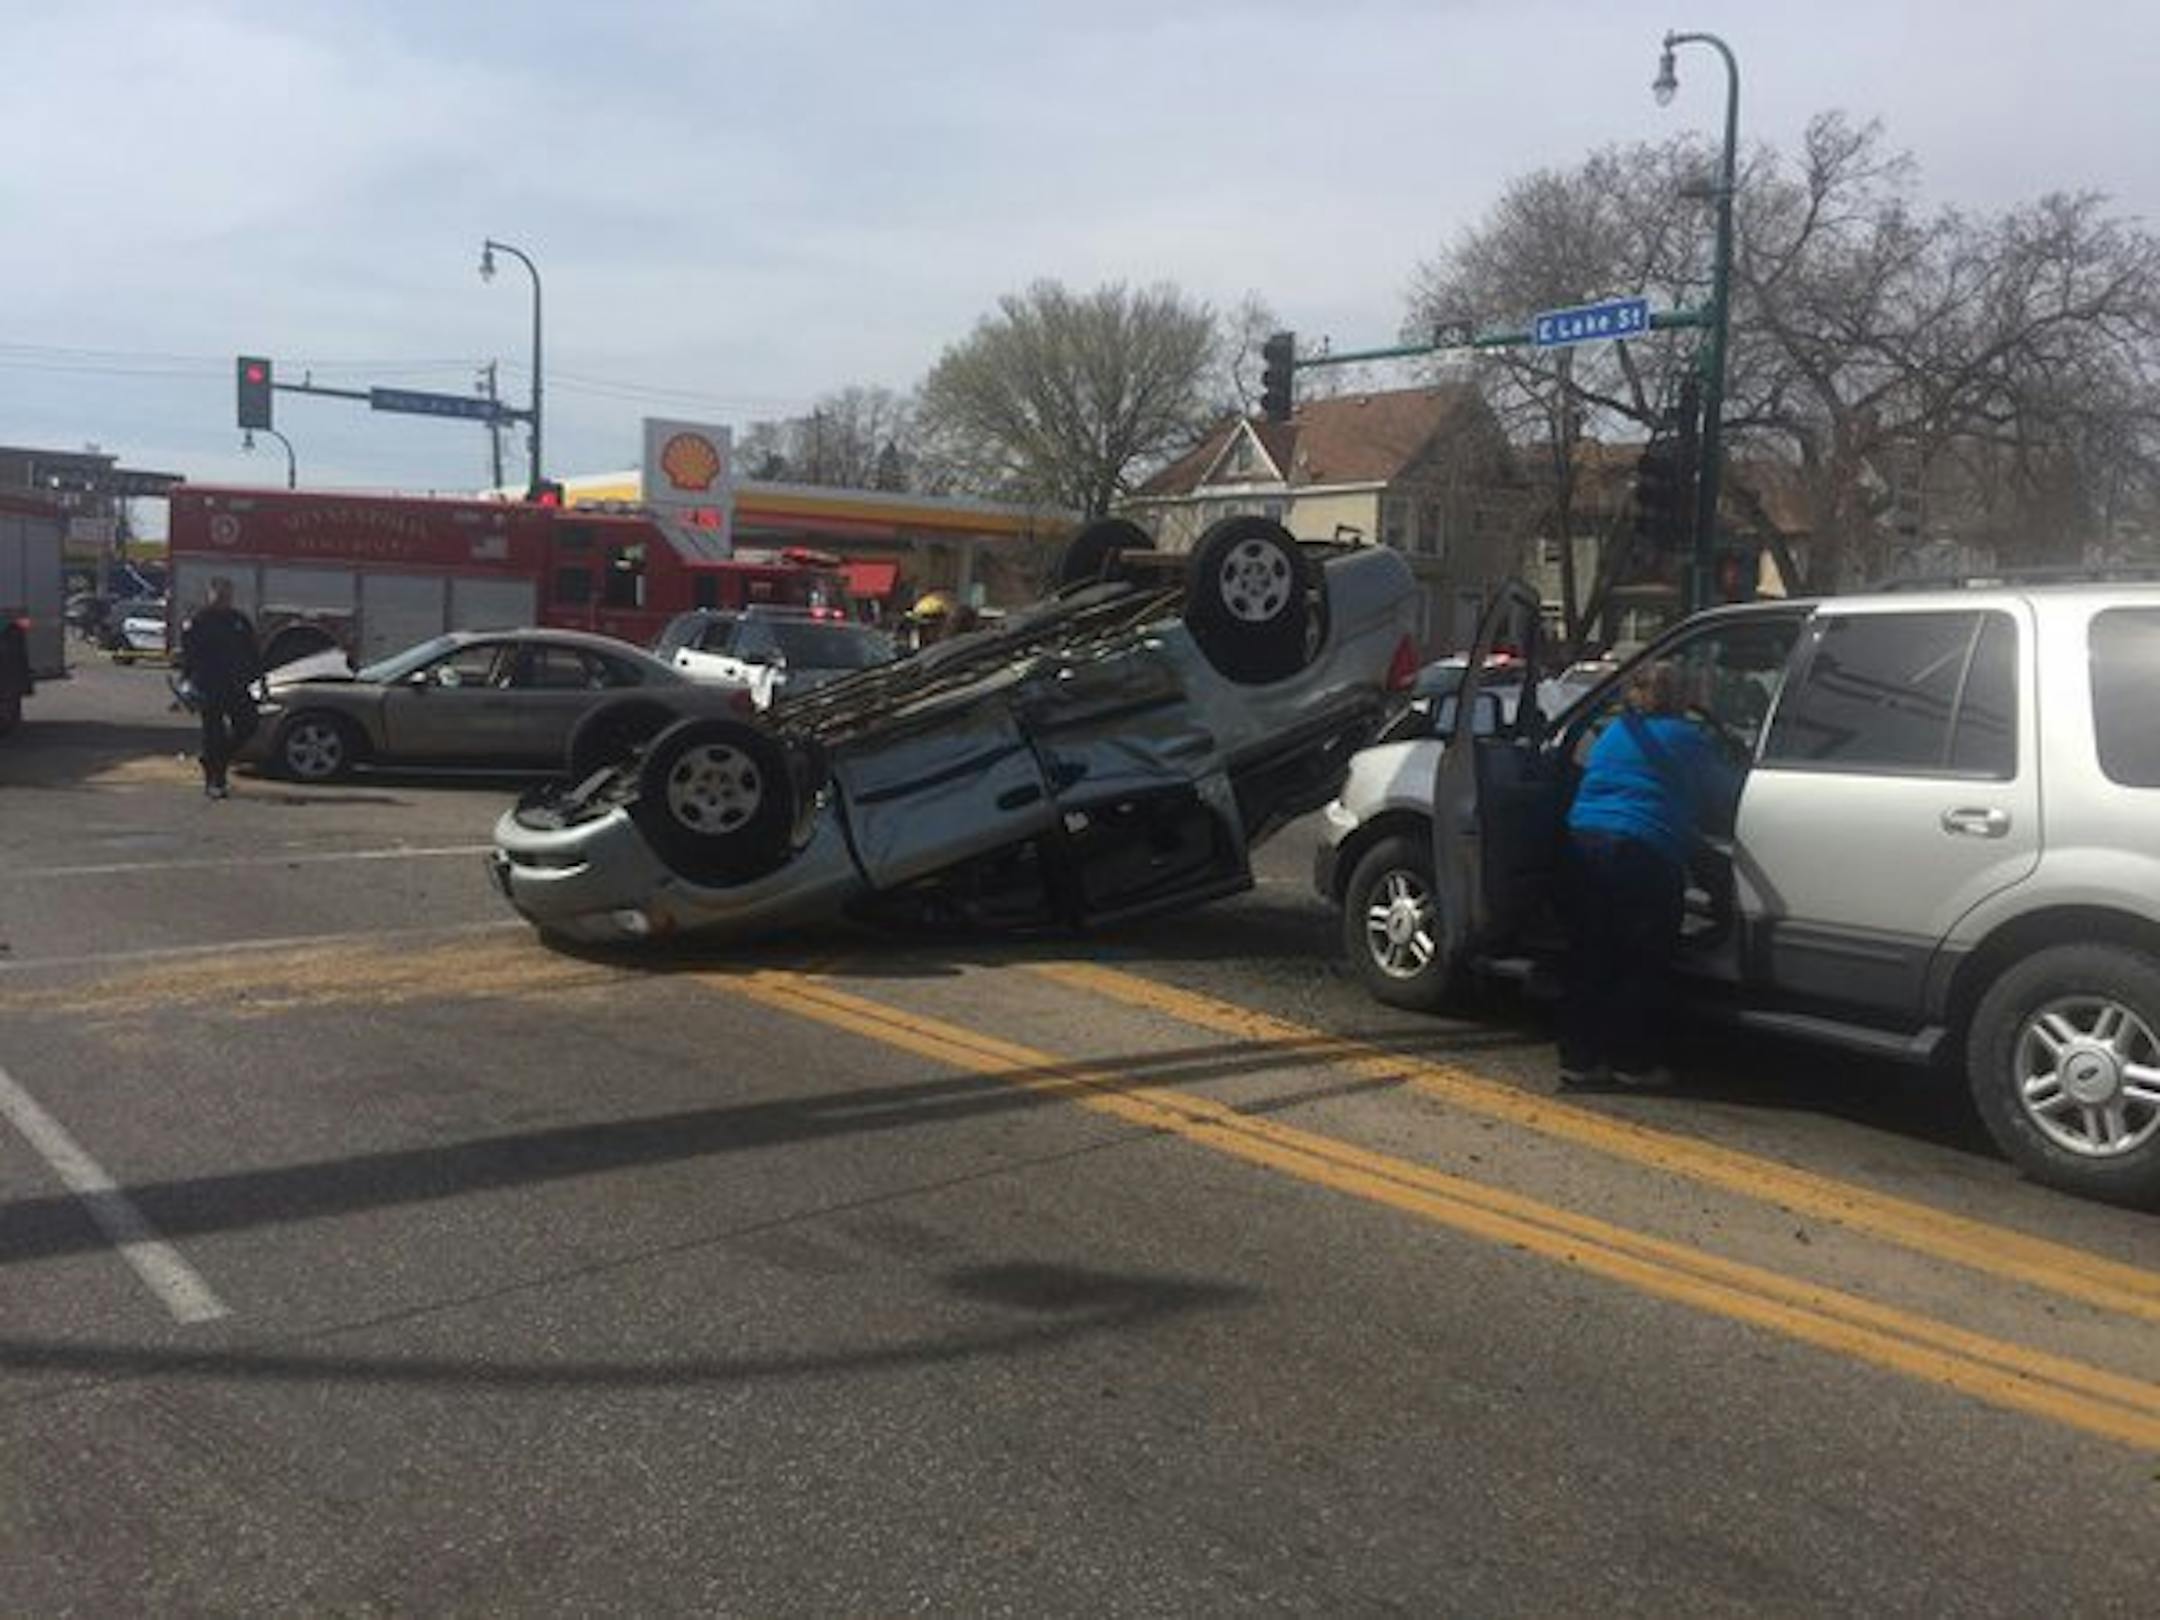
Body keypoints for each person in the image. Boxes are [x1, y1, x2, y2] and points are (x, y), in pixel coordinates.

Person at [1557, 658, 1739, 1090]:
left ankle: (1579, 1061)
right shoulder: (1687, 738)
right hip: (1643, 851)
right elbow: (1727, 795)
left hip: (1584, 842)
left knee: (1591, 954)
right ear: (1681, 696)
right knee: (1639, 960)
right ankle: (1632, 1063)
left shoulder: (1616, 732)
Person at [179, 577, 262, 799]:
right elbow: (188, 655)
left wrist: (258, 678)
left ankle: (217, 759)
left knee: (248, 724)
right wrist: (186, 682)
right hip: (209, 685)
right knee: (213, 733)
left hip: (236, 685)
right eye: (219, 594)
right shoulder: (199, 620)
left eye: (227, 594)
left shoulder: (239, 620)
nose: (223, 598)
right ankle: (214, 781)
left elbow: (253, 652)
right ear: (210, 595)